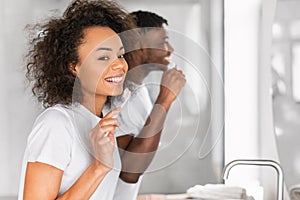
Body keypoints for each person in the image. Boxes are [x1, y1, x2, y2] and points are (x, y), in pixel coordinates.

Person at [18, 0, 140, 199]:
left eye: (120, 55)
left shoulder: (101, 122)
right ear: (74, 66)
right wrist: (99, 167)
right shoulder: (56, 123)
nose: (119, 65)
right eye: (103, 57)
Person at [112, 10, 186, 186]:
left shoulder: (141, 91)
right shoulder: (115, 96)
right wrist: (164, 100)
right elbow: (129, 172)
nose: (171, 50)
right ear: (138, 45)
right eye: (163, 42)